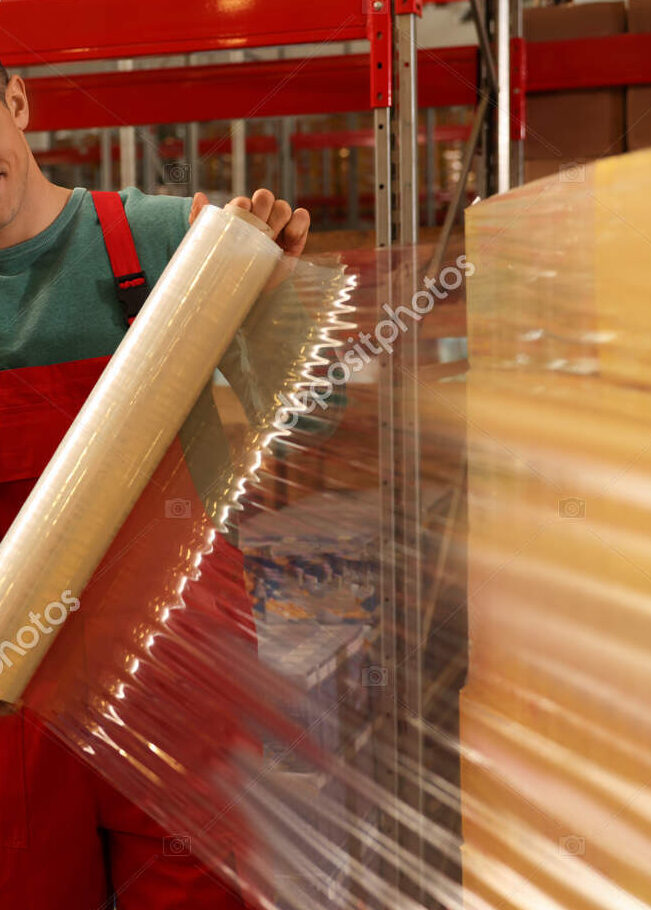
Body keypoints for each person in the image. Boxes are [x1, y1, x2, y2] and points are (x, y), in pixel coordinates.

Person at [0, 61, 309, 908]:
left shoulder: (170, 242)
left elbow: (309, 423)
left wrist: (276, 307)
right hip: (8, 697)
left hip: (171, 672)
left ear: (16, 98)